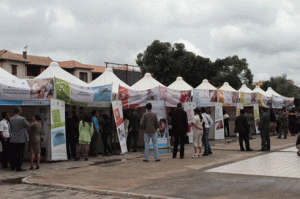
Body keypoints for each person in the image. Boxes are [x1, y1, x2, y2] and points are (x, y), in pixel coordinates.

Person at [9, 107, 30, 171]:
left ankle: (12, 166)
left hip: (13, 138)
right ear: (19, 111)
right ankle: (18, 167)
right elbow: (28, 125)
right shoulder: (22, 119)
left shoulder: (10, 119)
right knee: (20, 153)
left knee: (13, 153)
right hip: (21, 139)